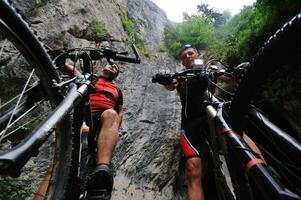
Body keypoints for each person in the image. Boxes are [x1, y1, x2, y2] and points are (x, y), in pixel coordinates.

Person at [64, 62, 123, 200]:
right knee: (59, 162)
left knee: (111, 114)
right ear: (103, 67)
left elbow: (120, 111)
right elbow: (73, 72)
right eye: (109, 64)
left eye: (115, 67)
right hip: (85, 115)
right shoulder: (91, 78)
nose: (111, 66)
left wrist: (114, 128)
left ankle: (102, 170)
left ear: (116, 74)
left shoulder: (117, 90)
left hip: (104, 119)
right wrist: (58, 60)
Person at [163, 45, 207, 200]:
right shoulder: (180, 77)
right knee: (192, 168)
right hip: (189, 123)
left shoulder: (209, 68)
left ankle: (261, 167)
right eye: (184, 56)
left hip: (211, 115)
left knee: (237, 132)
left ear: (198, 55)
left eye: (191, 53)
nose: (187, 56)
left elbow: (228, 78)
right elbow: (170, 86)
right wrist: (167, 81)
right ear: (182, 62)